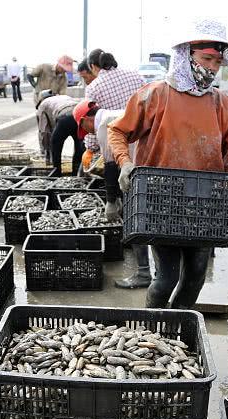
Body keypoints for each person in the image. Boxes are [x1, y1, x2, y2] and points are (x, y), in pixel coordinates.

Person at [107, 20, 228, 309]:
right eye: (207, 59)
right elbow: (117, 130)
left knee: (196, 276)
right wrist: (124, 162)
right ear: (187, 55)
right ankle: (152, 327)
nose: (212, 68)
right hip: (161, 199)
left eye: (217, 62)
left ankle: (179, 323)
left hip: (205, 201)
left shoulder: (223, 104)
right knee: (166, 278)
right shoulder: (155, 94)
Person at [75, 99, 151, 288]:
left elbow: (110, 165)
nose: (88, 133)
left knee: (135, 219)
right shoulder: (114, 114)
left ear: (85, 119)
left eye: (84, 128)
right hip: (147, 166)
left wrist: (110, 201)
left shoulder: (104, 124)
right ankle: (157, 272)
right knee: (145, 219)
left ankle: (144, 273)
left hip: (138, 171)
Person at [35, 91, 83, 176]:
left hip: (64, 117)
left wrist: (45, 151)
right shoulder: (64, 96)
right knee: (79, 145)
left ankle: (57, 174)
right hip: (79, 115)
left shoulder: (43, 104)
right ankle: (76, 172)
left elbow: (44, 131)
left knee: (56, 146)